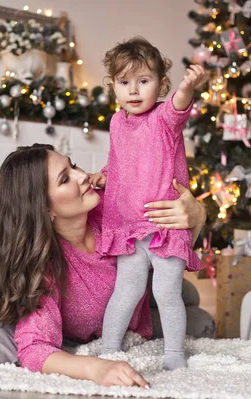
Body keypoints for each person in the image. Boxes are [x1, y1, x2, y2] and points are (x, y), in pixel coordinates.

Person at [0, 144, 207, 388]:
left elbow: (170, 244)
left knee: (188, 299)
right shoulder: (46, 266)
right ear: (44, 208)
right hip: (136, 317)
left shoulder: (113, 205)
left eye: (74, 165)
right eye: (66, 179)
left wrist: (197, 217)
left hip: (154, 281)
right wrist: (96, 368)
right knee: (199, 319)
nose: (83, 176)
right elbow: (33, 349)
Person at [89, 37, 207, 370]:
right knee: (126, 290)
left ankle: (174, 358)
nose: (135, 90)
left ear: (161, 84)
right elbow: (121, 162)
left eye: (144, 81)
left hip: (165, 224)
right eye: (125, 82)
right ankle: (110, 352)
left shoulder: (163, 119)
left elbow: (179, 104)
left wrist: (186, 88)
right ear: (113, 87)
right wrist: (104, 175)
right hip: (127, 226)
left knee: (167, 292)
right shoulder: (115, 122)